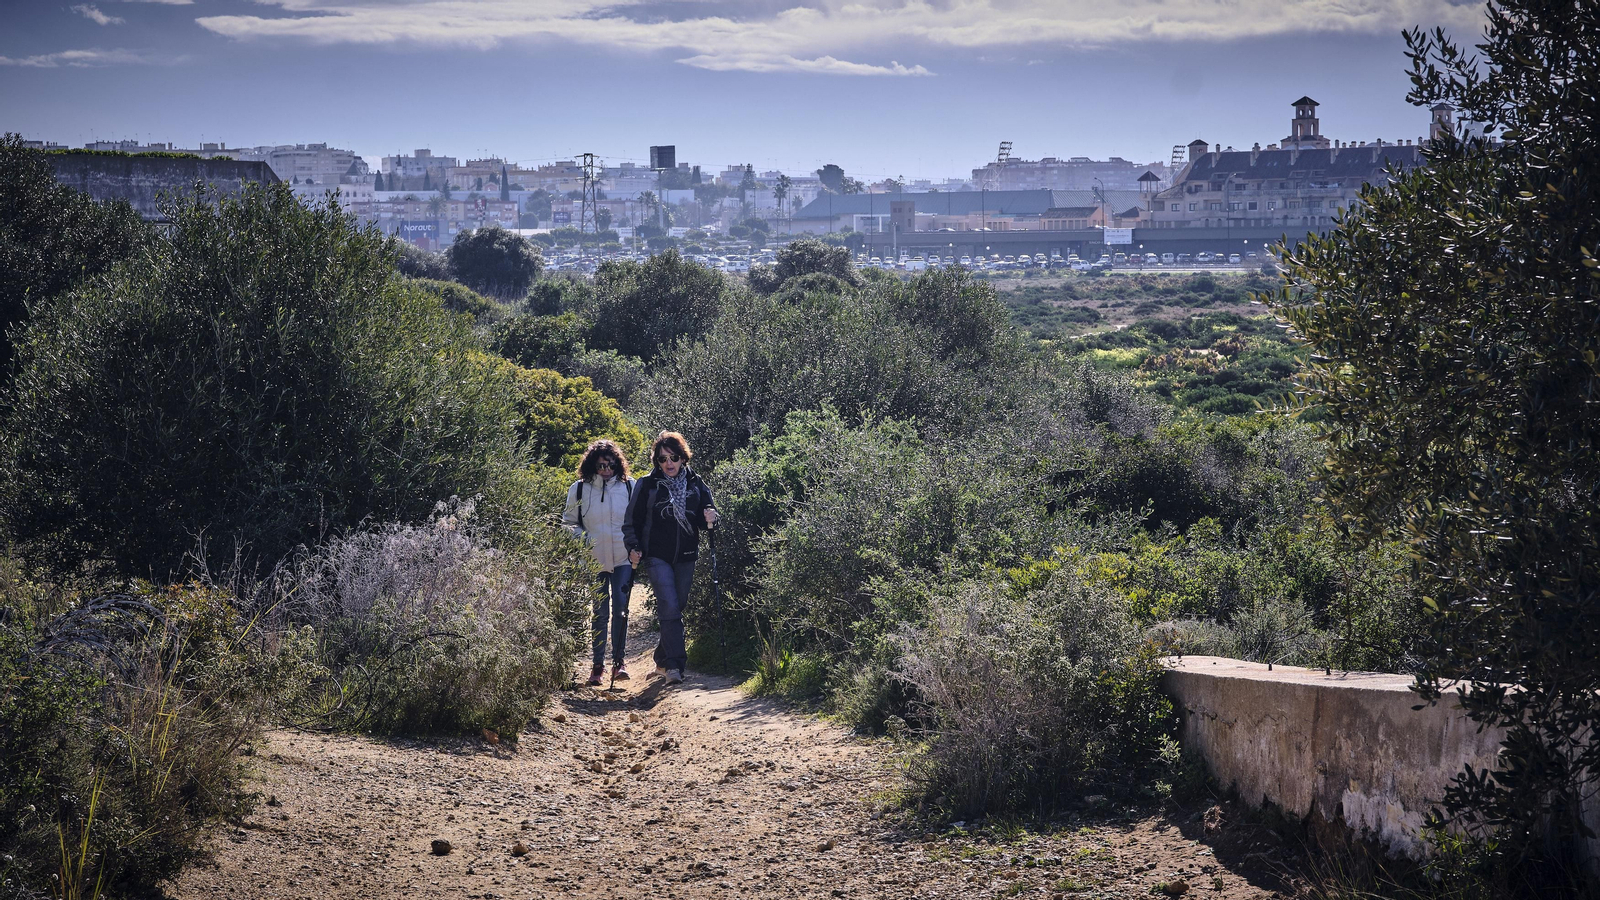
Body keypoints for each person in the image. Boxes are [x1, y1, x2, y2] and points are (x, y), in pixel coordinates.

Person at [623, 431, 718, 685]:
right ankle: (675, 666)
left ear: (683, 458)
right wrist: (633, 546)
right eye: (663, 459)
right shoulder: (648, 484)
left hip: (686, 555)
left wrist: (711, 517)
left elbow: (705, 517)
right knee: (668, 604)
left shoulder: (697, 483)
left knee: (677, 607)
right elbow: (632, 521)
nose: (669, 463)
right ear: (657, 461)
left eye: (673, 457)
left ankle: (662, 659)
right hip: (656, 556)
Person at [562, 439, 636, 687]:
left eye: (611, 465)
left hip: (623, 559)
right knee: (599, 613)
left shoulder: (629, 487)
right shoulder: (579, 489)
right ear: (592, 465)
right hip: (593, 561)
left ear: (618, 465)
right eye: (601, 465)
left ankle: (619, 663)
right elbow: (568, 522)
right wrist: (584, 539)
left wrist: (636, 548)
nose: (606, 469)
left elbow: (638, 522)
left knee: (621, 610)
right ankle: (597, 666)